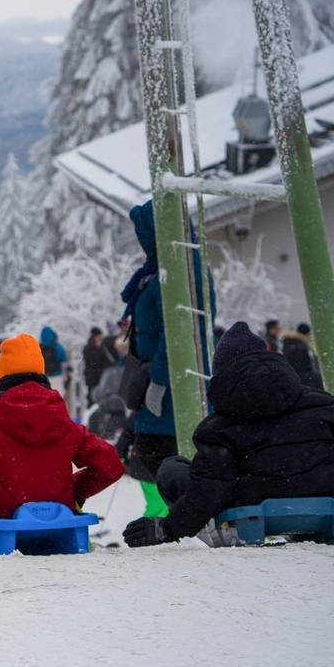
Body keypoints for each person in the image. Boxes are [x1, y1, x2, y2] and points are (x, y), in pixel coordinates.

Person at [124, 322, 334, 548]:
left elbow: (208, 490)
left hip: (250, 502)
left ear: (222, 373)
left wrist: (166, 529)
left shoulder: (218, 428)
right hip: (324, 495)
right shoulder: (323, 406)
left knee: (171, 469)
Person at [0, 334, 124, 535]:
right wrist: (76, 490)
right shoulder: (66, 425)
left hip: (2, 519)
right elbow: (110, 465)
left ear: (1, 378)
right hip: (58, 517)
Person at [122, 201, 214, 519]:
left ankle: (177, 514)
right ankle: (175, 512)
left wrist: (160, 379)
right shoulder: (158, 270)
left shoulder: (180, 269)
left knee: (159, 449)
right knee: (153, 449)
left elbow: (179, 328)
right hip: (158, 378)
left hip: (173, 382)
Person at [282, 323, 324, 390]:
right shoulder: (300, 345)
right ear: (306, 334)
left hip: (296, 376)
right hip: (304, 376)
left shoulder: (290, 343)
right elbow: (301, 364)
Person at [82, 327, 117, 402]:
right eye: (98, 337)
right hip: (93, 377)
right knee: (93, 397)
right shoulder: (88, 348)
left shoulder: (104, 346)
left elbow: (108, 361)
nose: (100, 338)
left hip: (103, 375)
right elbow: (91, 362)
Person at [39, 326, 68, 393]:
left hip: (43, 379)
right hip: (57, 377)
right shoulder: (58, 347)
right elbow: (64, 364)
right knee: (57, 397)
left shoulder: (38, 347)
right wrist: (65, 378)